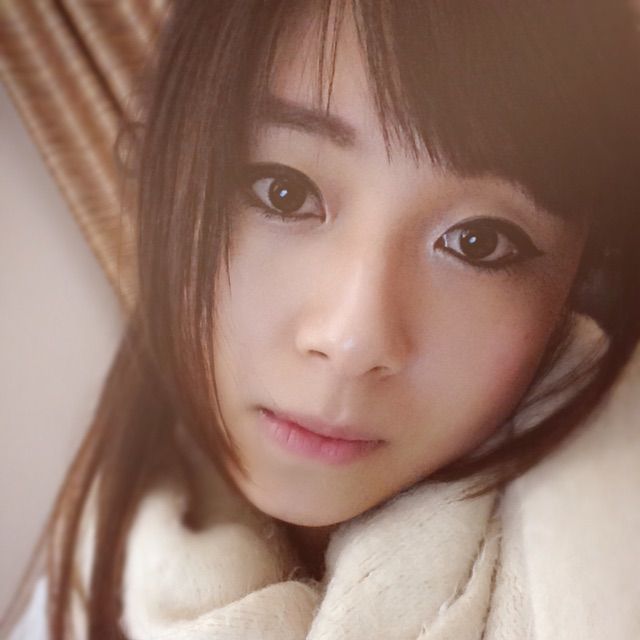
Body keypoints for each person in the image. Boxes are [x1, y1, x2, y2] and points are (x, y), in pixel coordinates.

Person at [4, 1, 640, 638]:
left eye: (479, 243)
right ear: (166, 171)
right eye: (282, 191)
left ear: (578, 280)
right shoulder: (86, 577)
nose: (351, 339)